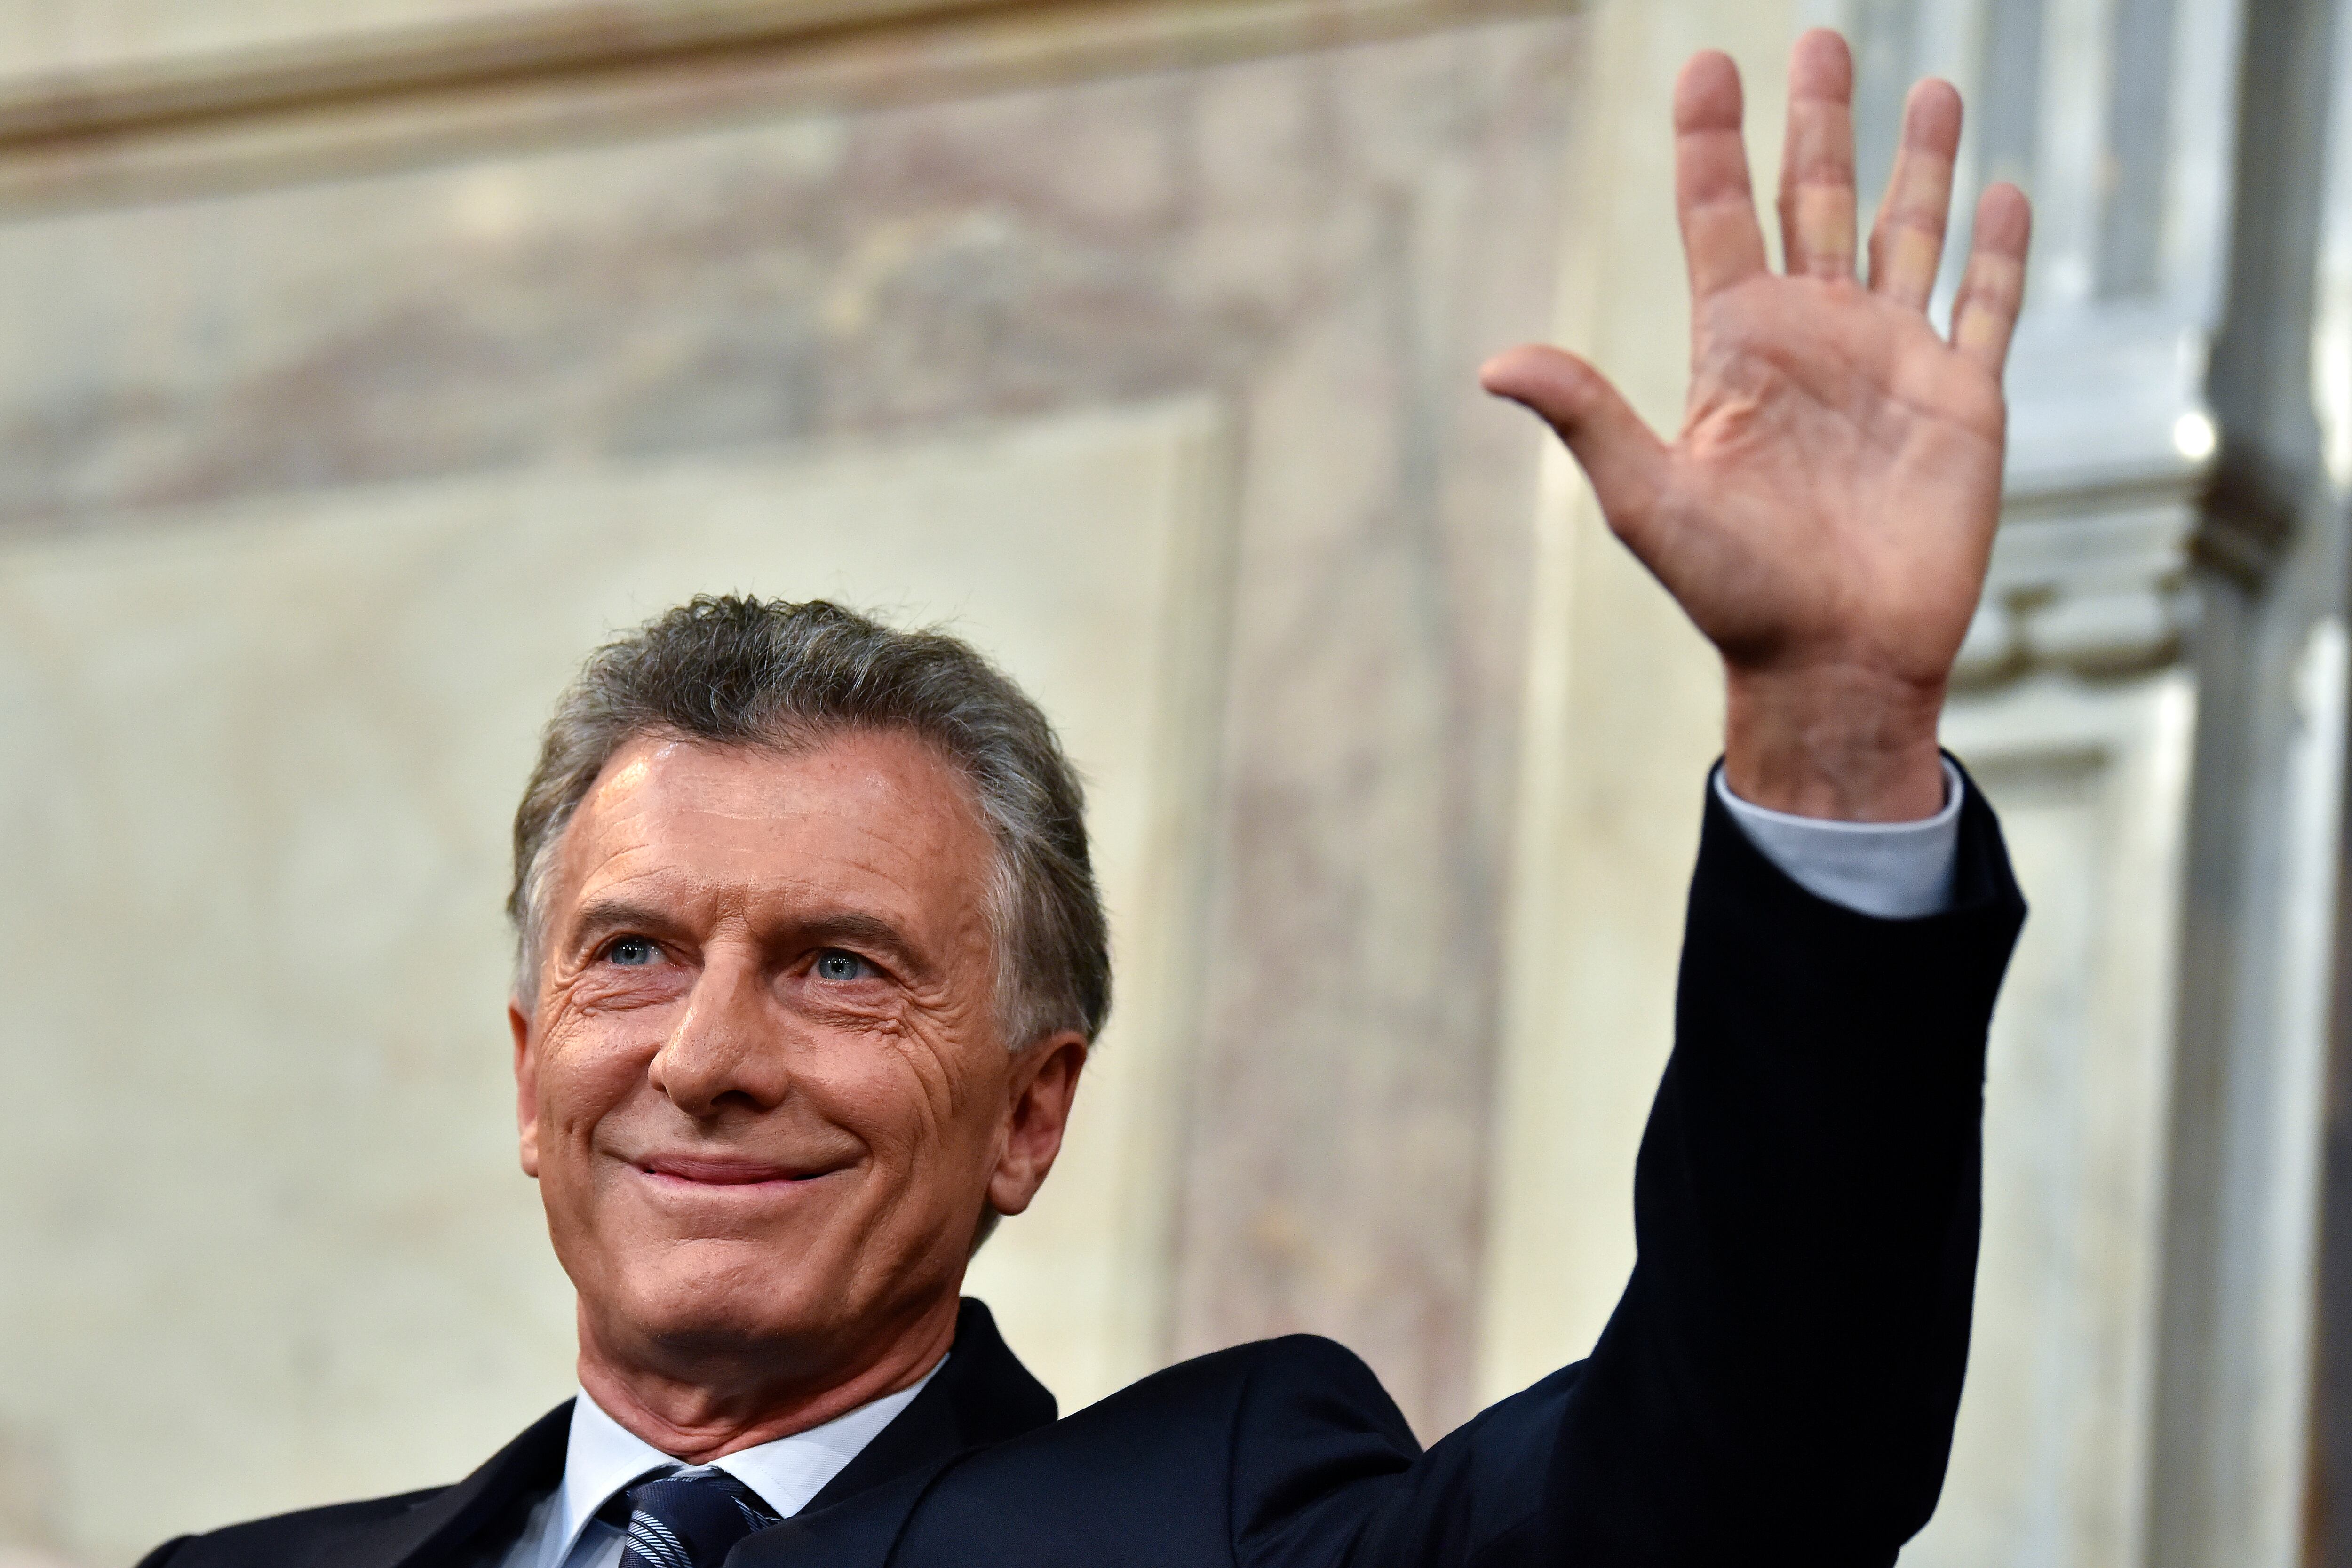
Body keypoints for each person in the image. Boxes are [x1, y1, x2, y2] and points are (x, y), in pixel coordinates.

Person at [140, 28, 2032, 1568]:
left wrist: (1832, 726)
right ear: (528, 1067)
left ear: (1029, 1114)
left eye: (837, 967)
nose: (706, 1053)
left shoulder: (1208, 1520)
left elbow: (1738, 1469)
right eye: (631, 952)